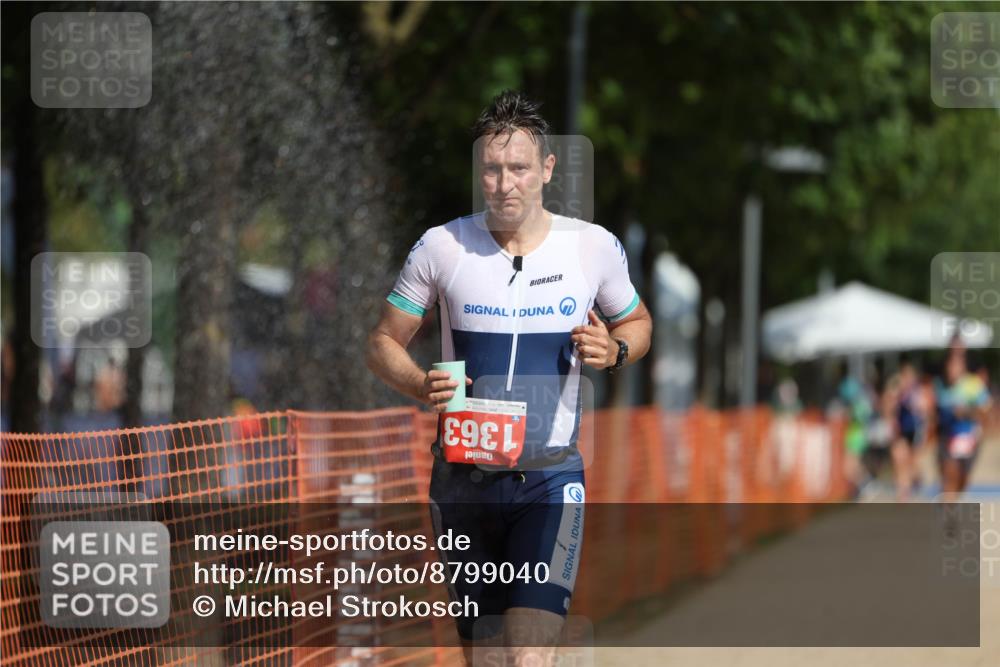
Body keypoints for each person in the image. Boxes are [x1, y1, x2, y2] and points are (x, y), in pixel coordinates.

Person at [366, 90, 652, 666]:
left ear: (546, 169)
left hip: (550, 480)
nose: (505, 184)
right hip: (462, 482)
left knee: (528, 655)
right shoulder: (442, 246)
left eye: (518, 168)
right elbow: (381, 343)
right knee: (488, 659)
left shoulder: (592, 247)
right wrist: (421, 384)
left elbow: (639, 323)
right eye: (492, 170)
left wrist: (615, 350)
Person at [935, 351, 991, 495]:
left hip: (967, 437)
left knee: (961, 480)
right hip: (946, 436)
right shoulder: (940, 385)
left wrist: (967, 412)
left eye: (956, 364)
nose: (952, 368)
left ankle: (954, 496)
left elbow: (986, 412)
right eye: (950, 364)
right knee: (949, 475)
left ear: (963, 366)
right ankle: (948, 506)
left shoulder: (973, 385)